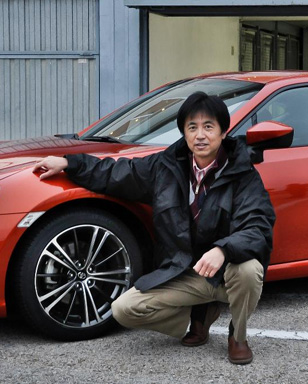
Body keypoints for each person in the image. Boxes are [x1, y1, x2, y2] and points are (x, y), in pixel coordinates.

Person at [33, 91, 275, 364]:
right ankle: (197, 318)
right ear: (184, 133)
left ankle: (237, 336)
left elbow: (258, 228)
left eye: (208, 127)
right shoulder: (165, 166)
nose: (200, 135)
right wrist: (70, 163)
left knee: (248, 269)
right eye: (192, 127)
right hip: (186, 274)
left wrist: (223, 250)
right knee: (124, 309)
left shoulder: (243, 174)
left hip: (226, 275)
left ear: (223, 131)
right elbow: (116, 173)